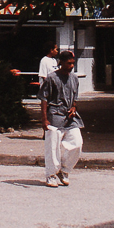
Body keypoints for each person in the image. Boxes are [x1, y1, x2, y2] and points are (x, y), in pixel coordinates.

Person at [38, 50, 84, 187]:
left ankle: (64, 170)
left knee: (77, 143)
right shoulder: (52, 78)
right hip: (54, 116)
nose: (71, 66)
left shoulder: (74, 78)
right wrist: (44, 119)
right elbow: (44, 99)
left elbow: (74, 98)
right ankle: (51, 175)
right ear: (61, 63)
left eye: (73, 63)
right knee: (52, 147)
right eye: (69, 63)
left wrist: (74, 108)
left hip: (69, 117)